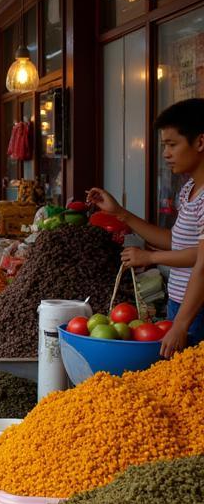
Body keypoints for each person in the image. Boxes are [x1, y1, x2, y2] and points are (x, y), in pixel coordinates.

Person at [88, 98, 204, 348]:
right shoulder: (189, 190)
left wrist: (150, 258)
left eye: (172, 144)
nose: (165, 154)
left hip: (197, 312)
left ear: (200, 142)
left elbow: (202, 259)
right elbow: (175, 242)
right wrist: (120, 213)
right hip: (180, 303)